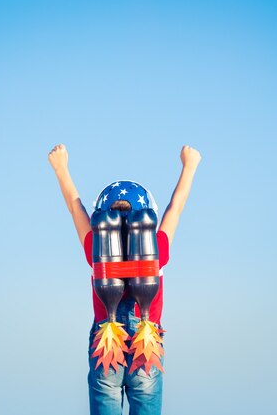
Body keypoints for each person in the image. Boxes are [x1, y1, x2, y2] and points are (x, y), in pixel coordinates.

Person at [48, 143, 201, 415]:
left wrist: (61, 169)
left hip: (106, 342)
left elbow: (76, 208)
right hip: (147, 342)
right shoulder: (158, 249)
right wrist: (189, 166)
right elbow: (175, 208)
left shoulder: (96, 247)